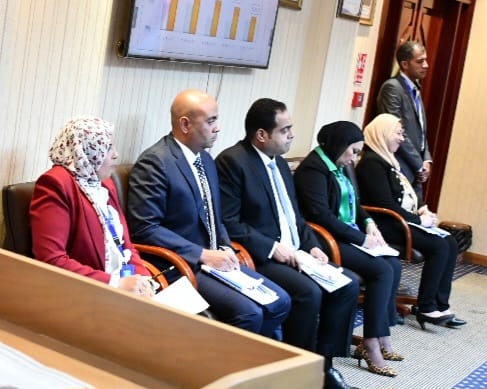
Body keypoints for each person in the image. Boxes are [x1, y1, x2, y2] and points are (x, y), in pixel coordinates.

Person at [216, 98, 361, 389]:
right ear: (261, 135)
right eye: (285, 130)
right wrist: (272, 247)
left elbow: (294, 217)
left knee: (348, 284)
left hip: (296, 251)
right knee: (308, 292)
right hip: (260, 256)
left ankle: (323, 367)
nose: (292, 135)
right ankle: (297, 375)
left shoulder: (280, 164)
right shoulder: (233, 162)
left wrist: (312, 245)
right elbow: (230, 222)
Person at [126, 89, 291, 338]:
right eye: (211, 121)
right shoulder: (155, 163)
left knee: (280, 301)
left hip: (215, 260)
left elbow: (214, 216)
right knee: (249, 313)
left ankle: (248, 359)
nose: (218, 128)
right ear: (185, 124)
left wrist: (226, 247)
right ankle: (222, 362)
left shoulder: (205, 160)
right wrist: (202, 254)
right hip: (181, 264)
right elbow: (145, 228)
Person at [294, 121, 402, 378]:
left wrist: (369, 222)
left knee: (393, 265)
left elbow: (354, 202)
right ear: (339, 145)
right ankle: (371, 344)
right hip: (324, 240)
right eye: (353, 151)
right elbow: (321, 216)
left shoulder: (339, 166)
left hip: (346, 235)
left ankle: (380, 336)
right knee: (382, 270)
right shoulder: (313, 170)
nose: (354, 158)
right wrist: (361, 239)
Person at [355, 113, 466, 330]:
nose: (402, 138)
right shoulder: (371, 163)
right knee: (439, 246)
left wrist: (422, 208)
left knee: (450, 242)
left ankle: (440, 304)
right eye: (398, 133)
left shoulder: (388, 161)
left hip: (400, 221)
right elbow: (385, 204)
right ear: (383, 134)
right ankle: (426, 307)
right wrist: (419, 220)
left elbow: (406, 194)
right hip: (385, 224)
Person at [30, 117, 155, 298]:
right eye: (107, 147)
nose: (116, 154)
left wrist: (145, 280)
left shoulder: (104, 183)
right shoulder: (55, 184)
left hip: (126, 290)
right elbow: (51, 259)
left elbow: (125, 246)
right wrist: (114, 284)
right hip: (87, 293)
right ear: (84, 150)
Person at [377, 41, 431, 199]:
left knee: (418, 210)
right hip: (401, 164)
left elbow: (421, 132)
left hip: (416, 169)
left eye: (426, 60)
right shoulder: (392, 88)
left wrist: (427, 159)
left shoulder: (415, 88)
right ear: (405, 64)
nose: (426, 65)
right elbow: (395, 131)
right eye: (420, 61)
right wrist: (419, 164)